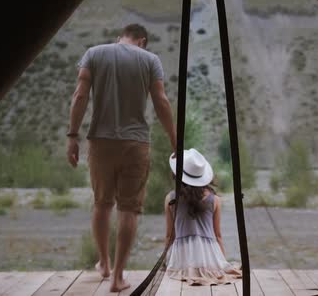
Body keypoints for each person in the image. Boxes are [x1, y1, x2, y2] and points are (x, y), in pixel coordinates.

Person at [66, 24, 176, 292]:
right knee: (129, 209)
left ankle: (103, 264)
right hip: (136, 143)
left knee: (102, 204)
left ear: (120, 38)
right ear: (142, 41)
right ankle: (117, 277)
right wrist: (176, 140)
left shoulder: (94, 53)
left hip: (100, 142)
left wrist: (72, 135)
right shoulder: (150, 60)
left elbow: (80, 95)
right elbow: (161, 101)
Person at [164, 148, 242, 285]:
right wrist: (222, 262)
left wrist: (165, 262)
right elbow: (218, 235)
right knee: (220, 266)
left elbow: (170, 236)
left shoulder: (171, 198)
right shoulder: (215, 199)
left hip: (182, 259)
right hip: (209, 257)